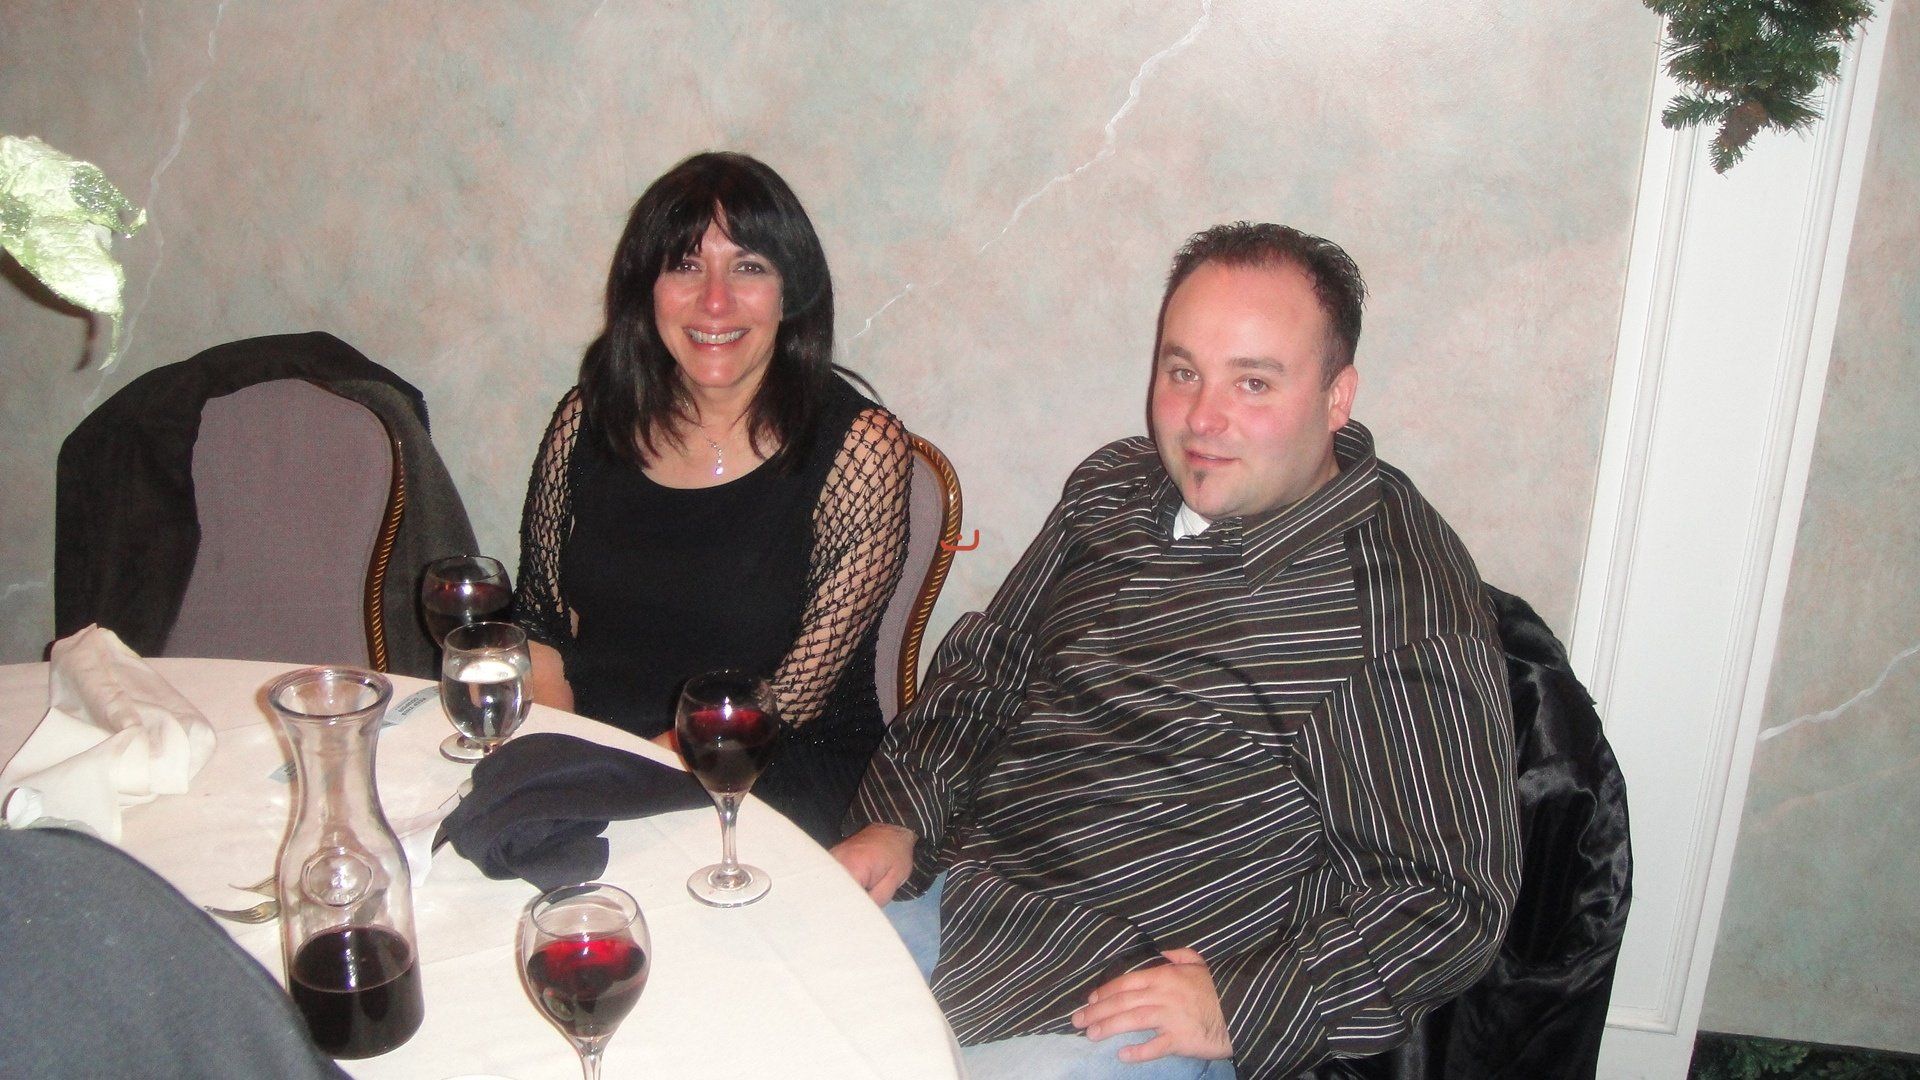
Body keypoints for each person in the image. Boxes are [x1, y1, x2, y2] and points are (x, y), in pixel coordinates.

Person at [833, 223, 1521, 1079]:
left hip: (1131, 1000)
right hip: (959, 895)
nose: (1202, 419)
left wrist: (1246, 1002)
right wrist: (901, 815)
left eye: (1253, 383)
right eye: (1183, 371)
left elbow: (1450, 895)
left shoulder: (1396, 610)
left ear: (1336, 397)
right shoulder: (1113, 489)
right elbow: (992, 666)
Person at [513, 152, 911, 846]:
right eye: (686, 265)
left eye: (749, 267)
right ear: (647, 287)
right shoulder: (588, 419)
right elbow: (540, 624)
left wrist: (607, 785)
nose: (715, 301)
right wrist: (557, 753)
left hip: (767, 776)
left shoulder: (859, 449)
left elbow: (790, 700)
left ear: (792, 291)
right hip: (599, 757)